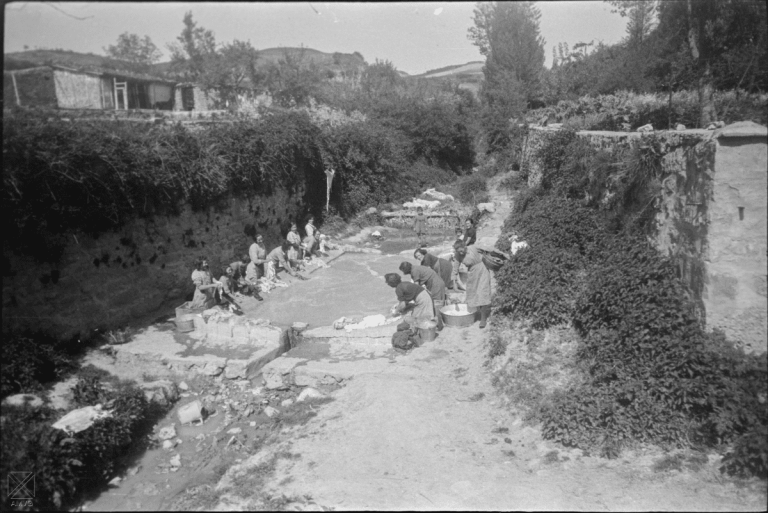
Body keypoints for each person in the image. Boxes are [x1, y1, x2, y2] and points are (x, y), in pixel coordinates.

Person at [453, 240, 492, 328]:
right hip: (472, 273)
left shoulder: (474, 248)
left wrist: (492, 258)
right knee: (473, 294)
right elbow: (455, 269)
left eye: (462, 250)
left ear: (465, 247)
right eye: (459, 251)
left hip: (483, 270)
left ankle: (483, 319)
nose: (461, 253)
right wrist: (454, 282)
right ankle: (477, 312)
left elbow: (488, 250)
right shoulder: (457, 256)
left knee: (482, 293)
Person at [399, 261, 445, 330]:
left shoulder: (414, 271)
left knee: (437, 304)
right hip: (436, 283)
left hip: (436, 285)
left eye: (403, 271)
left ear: (406, 269)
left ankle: (440, 325)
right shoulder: (415, 268)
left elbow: (416, 287)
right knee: (436, 303)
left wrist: (407, 300)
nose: (403, 273)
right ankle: (438, 322)